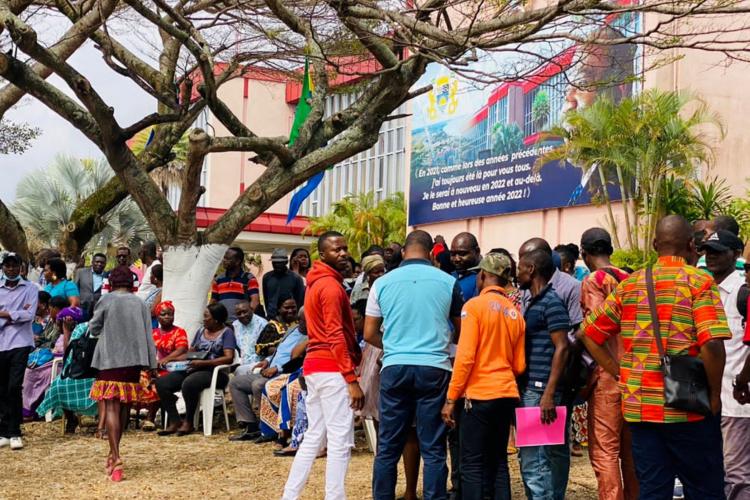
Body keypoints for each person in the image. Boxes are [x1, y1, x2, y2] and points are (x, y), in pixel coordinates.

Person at [581, 215, 730, 499]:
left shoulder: (631, 284)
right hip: (688, 405)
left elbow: (588, 334)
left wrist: (617, 371)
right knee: (704, 489)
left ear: (653, 245)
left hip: (640, 408)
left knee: (652, 490)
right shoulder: (698, 281)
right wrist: (713, 395)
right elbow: (711, 343)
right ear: (690, 245)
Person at [365, 230, 463, 500]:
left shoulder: (382, 283)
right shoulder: (448, 281)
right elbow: (460, 330)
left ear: (404, 251)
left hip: (395, 367)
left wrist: (396, 347)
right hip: (435, 368)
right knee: (433, 446)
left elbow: (369, 333)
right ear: (432, 252)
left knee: (388, 446)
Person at [281, 231, 363, 500]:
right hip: (331, 368)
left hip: (316, 367)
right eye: (335, 250)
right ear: (322, 254)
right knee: (340, 440)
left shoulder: (316, 284)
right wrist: (351, 379)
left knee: (315, 436)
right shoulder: (329, 286)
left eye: (344, 249)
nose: (342, 253)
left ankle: (290, 495)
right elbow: (335, 333)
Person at [441, 252, 526, 500]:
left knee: (472, 464)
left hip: (478, 396)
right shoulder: (515, 313)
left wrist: (451, 398)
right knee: (498, 461)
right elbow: (519, 365)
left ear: (483, 275)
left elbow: (465, 357)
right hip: (507, 393)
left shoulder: (474, 307)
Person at [578, 228, 637, 500]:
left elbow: (594, 330)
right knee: (631, 452)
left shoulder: (594, 280)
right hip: (636, 377)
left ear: (584, 254)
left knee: (605, 452)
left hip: (609, 376)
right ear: (610, 250)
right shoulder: (632, 278)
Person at [88, 265, 157, 481]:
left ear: (112, 282)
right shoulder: (140, 303)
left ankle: (116, 457)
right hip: (134, 361)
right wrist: (151, 364)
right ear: (131, 283)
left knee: (110, 405)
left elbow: (94, 328)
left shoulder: (107, 300)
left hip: (110, 359)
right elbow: (148, 334)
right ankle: (113, 453)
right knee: (125, 405)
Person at [516, 248, 572, 500]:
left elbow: (563, 347)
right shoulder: (535, 302)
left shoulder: (551, 302)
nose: (517, 273)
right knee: (537, 459)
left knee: (536, 463)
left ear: (531, 269)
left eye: (520, 267)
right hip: (534, 390)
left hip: (541, 392)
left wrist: (549, 393)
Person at [699, 230, 749, 499]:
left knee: (737, 474)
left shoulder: (743, 291)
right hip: (711, 399)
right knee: (718, 469)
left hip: (736, 402)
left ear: (736, 254)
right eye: (708, 251)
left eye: (718, 251)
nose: (711, 256)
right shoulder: (706, 290)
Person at [156, 303, 236, 437]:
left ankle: (189, 421)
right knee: (161, 383)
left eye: (206, 317)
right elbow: (191, 351)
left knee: (189, 383)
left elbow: (229, 358)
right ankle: (175, 420)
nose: (203, 319)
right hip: (194, 367)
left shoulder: (227, 333)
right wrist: (174, 359)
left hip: (215, 372)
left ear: (216, 319)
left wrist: (205, 363)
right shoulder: (201, 331)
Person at [228, 300, 303, 442]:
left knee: (258, 385)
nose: (302, 323)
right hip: (269, 368)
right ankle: (250, 426)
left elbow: (299, 360)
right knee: (236, 383)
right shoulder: (292, 330)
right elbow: (280, 351)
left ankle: (270, 429)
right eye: (302, 321)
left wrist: (277, 368)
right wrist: (267, 361)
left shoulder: (309, 336)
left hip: (285, 373)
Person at [0, 253, 39, 450]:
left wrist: (5, 313)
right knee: (2, 387)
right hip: (1, 344)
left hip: (20, 343)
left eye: (15, 266)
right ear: (3, 268)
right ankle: (4, 430)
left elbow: (29, 315)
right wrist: (15, 315)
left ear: (21, 268)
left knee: (14, 386)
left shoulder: (31, 288)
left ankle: (15, 431)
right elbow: (21, 315)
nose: (11, 269)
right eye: (8, 266)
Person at [259, 310, 310, 449]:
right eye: (304, 320)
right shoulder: (293, 330)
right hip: (298, 371)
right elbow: (290, 353)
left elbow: (294, 358)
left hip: (311, 371)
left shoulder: (319, 332)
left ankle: (285, 434)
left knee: (288, 390)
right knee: (270, 386)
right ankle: (270, 431)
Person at [22, 296, 77, 423]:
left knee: (30, 373)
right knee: (26, 368)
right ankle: (28, 409)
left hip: (60, 362)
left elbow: (59, 346)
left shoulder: (68, 322)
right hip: (48, 357)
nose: (49, 310)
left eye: (51, 308)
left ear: (57, 309)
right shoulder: (51, 322)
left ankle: (30, 411)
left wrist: (64, 328)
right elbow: (44, 338)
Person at [137, 301, 189, 432]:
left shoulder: (179, 332)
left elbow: (182, 349)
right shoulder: (153, 333)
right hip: (155, 368)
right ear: (157, 316)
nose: (167, 317)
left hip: (174, 369)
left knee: (156, 382)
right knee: (142, 378)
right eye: (163, 314)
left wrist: (165, 359)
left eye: (170, 314)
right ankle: (151, 415)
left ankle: (151, 417)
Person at [36, 321, 98, 428]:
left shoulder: (107, 326)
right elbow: (69, 351)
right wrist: (66, 331)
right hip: (81, 369)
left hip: (99, 371)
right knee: (59, 385)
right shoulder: (81, 327)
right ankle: (71, 419)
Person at [211, 247, 260, 322]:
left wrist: (245, 319)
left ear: (237, 261)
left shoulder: (249, 278)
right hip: (223, 324)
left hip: (242, 324)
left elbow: (255, 302)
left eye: (228, 259)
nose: (224, 261)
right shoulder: (218, 279)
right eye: (224, 258)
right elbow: (213, 302)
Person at [263, 248, 305, 319]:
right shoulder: (267, 277)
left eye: (280, 262)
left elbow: (300, 300)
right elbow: (266, 299)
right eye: (275, 262)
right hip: (272, 317)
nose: (277, 265)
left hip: (290, 318)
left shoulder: (295, 278)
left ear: (286, 262)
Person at [232, 300, 269, 376]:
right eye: (239, 314)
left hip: (260, 363)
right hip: (242, 363)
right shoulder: (235, 325)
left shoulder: (263, 324)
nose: (242, 315)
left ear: (252, 310)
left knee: (239, 372)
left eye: (245, 312)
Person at [450, 232, 481, 301]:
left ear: (477, 252)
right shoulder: (450, 277)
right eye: (453, 254)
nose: (456, 259)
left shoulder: (483, 280)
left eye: (462, 254)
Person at [75, 253, 107, 318]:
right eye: (97, 262)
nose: (99, 264)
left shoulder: (107, 276)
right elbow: (75, 289)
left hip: (99, 309)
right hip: (82, 307)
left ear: (105, 264)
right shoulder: (81, 272)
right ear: (92, 262)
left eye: (102, 262)